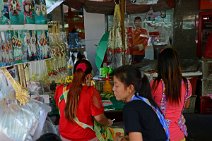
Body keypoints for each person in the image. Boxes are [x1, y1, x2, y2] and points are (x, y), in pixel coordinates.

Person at [54, 59, 113, 141]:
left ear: (73, 73)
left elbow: (60, 107)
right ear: (89, 76)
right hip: (86, 137)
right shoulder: (91, 92)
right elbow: (99, 119)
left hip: (64, 137)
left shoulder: (60, 89)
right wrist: (108, 122)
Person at [112, 65, 169, 141]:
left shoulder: (130, 108)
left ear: (130, 88)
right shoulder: (144, 101)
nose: (113, 89)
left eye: (116, 86)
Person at [150, 48, 192, 141]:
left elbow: (147, 105)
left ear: (160, 65)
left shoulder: (155, 84)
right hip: (179, 135)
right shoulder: (186, 83)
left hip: (160, 134)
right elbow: (187, 105)